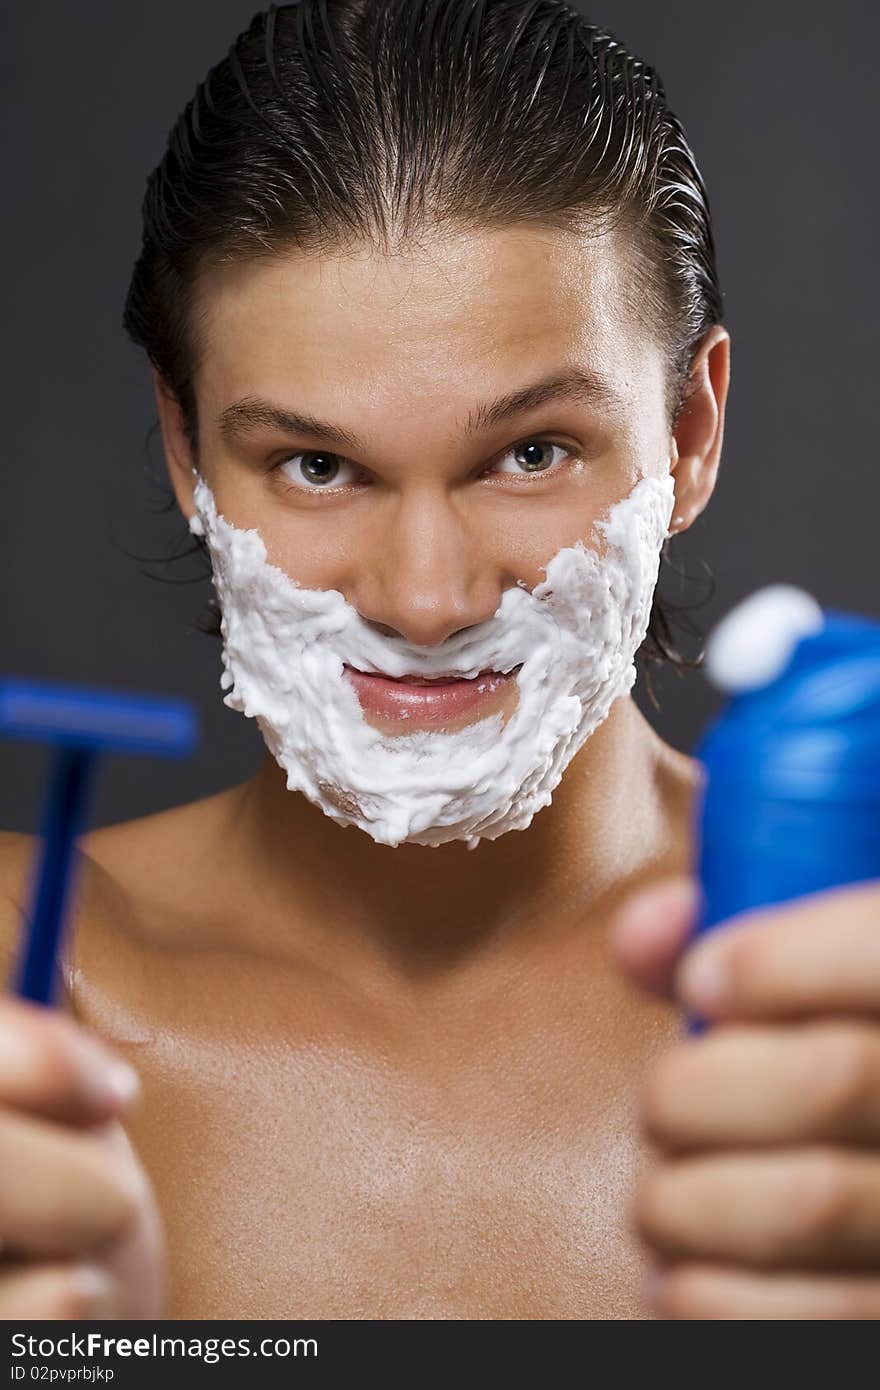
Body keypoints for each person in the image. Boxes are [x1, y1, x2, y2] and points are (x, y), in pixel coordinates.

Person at [1, 0, 878, 1322]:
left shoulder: (844, 996)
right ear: (187, 453)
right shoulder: (22, 979)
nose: (427, 599)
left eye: (530, 454)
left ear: (690, 432)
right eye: (316, 465)